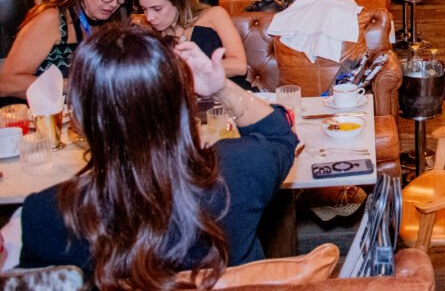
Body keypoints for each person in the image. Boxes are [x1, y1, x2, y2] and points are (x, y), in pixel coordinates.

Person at [17, 25, 296, 285]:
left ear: (79, 119)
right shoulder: (241, 171)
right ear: (184, 102)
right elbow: (279, 135)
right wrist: (220, 86)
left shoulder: (46, 215)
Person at [0, 0, 134, 100]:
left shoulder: (112, 22)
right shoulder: (52, 19)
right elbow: (7, 83)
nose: (114, 3)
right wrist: (72, 86)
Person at [136, 0, 251, 89]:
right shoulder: (152, 35)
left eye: (157, 9)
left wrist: (189, 69)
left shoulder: (214, 15)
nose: (149, 17)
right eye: (144, 9)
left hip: (231, 93)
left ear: (178, 0)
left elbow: (239, 66)